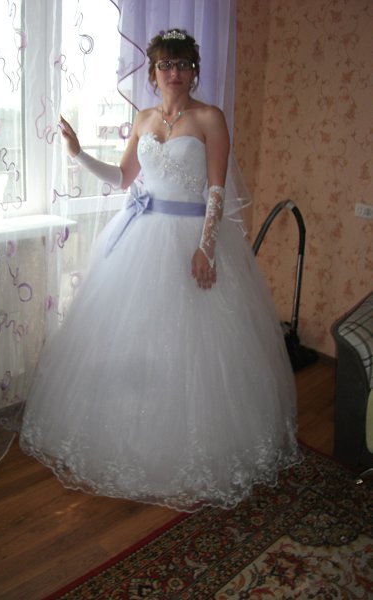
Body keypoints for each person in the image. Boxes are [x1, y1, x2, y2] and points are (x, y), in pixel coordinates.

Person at [20, 29, 301, 512]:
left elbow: (217, 188)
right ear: (153, 73)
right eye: (167, 65)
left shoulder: (210, 118)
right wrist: (77, 154)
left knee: (197, 347)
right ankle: (131, 437)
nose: (175, 72)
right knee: (137, 339)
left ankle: (198, 445)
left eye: (184, 64)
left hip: (192, 237)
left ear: (194, 70)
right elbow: (124, 178)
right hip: (143, 236)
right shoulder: (143, 118)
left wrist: (206, 248)